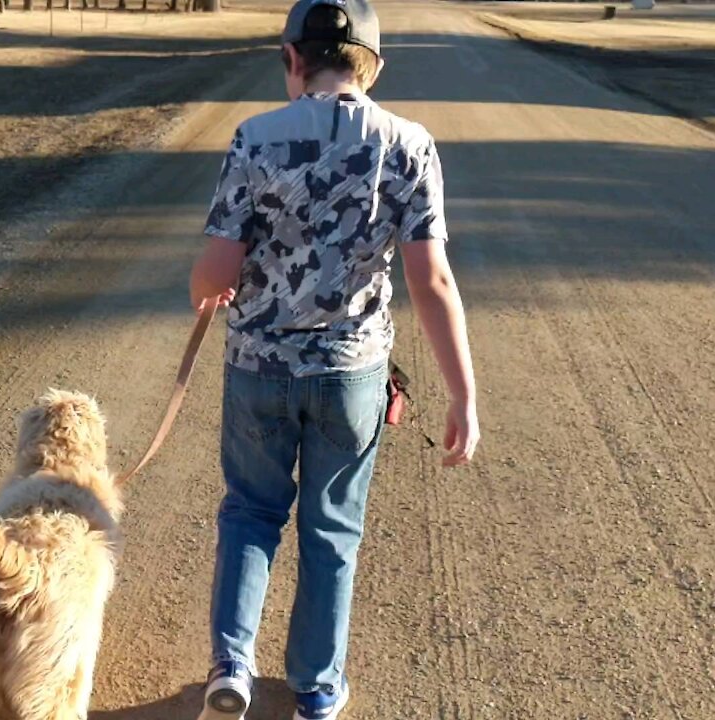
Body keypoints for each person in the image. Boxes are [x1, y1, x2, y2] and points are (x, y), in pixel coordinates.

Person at [187, 0, 480, 717]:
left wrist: (211, 289)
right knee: (331, 528)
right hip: (352, 376)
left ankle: (233, 663)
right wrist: (462, 395)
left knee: (252, 512)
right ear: (372, 68)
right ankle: (317, 688)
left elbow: (214, 272)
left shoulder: (255, 138)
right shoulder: (409, 144)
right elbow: (432, 279)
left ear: (292, 58)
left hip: (258, 368)